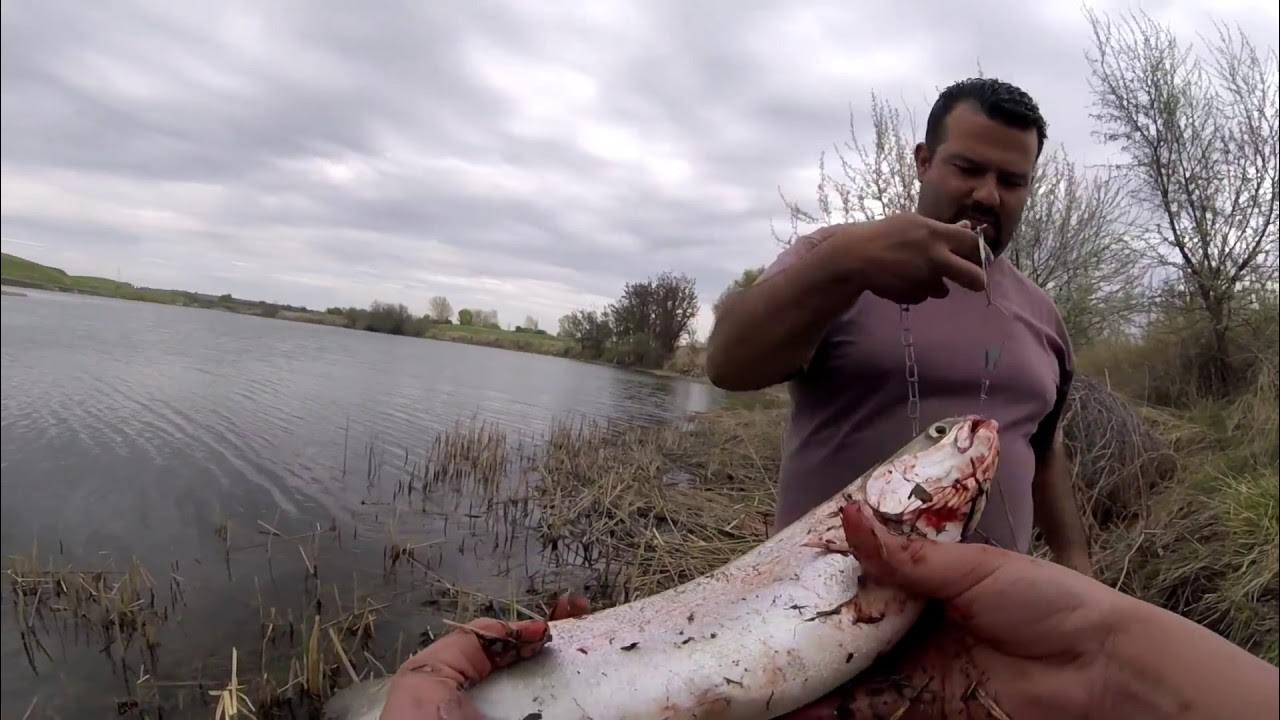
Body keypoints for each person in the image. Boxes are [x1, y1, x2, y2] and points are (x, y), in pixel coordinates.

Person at [380, 502, 1280, 719]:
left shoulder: (1040, 317)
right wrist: (1105, 650)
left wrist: (1102, 632)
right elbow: (740, 353)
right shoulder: (843, 266)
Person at [705, 77, 1091, 574]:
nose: (988, 195)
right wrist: (845, 263)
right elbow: (727, 364)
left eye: (1012, 181)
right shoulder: (838, 258)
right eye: (967, 168)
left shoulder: (1045, 317)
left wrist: (1079, 567)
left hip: (987, 630)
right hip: (821, 617)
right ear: (924, 162)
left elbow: (1044, 451)